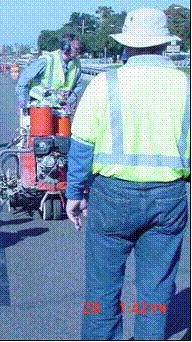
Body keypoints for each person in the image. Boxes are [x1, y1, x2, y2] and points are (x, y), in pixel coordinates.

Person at [65, 8, 189, 340]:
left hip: (112, 197)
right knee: (155, 291)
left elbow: (81, 145)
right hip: (169, 197)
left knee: (101, 292)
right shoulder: (185, 85)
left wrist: (74, 195)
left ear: (126, 44)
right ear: (165, 45)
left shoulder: (105, 84)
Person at [15, 34, 83, 113]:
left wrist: (69, 103)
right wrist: (22, 100)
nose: (78, 51)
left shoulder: (77, 64)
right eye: (76, 48)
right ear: (66, 47)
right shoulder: (47, 60)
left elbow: (78, 86)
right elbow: (24, 78)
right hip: (40, 106)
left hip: (59, 107)